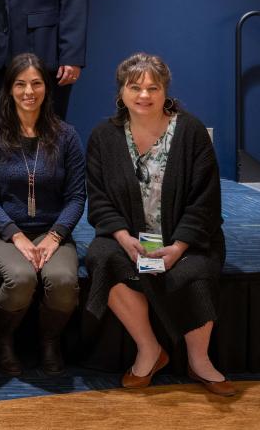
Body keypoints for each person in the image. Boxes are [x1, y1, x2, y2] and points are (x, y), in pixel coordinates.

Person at [85, 53, 235, 396]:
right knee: (102, 258)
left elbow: (205, 200)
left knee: (193, 271)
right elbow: (99, 199)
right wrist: (123, 239)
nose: (144, 95)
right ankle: (149, 351)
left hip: (186, 236)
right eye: (135, 86)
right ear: (121, 92)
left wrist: (179, 247)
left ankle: (200, 361)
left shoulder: (191, 131)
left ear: (165, 91)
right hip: (129, 236)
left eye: (153, 87)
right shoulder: (103, 136)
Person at [0, 53, 86, 376]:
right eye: (20, 84)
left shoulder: (66, 135)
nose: (29, 91)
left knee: (64, 281)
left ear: (47, 89)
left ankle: (49, 340)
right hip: (5, 231)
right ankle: (2, 338)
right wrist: (15, 234)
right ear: (8, 89)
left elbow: (77, 196)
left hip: (53, 229)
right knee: (21, 278)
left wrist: (55, 236)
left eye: (36, 83)